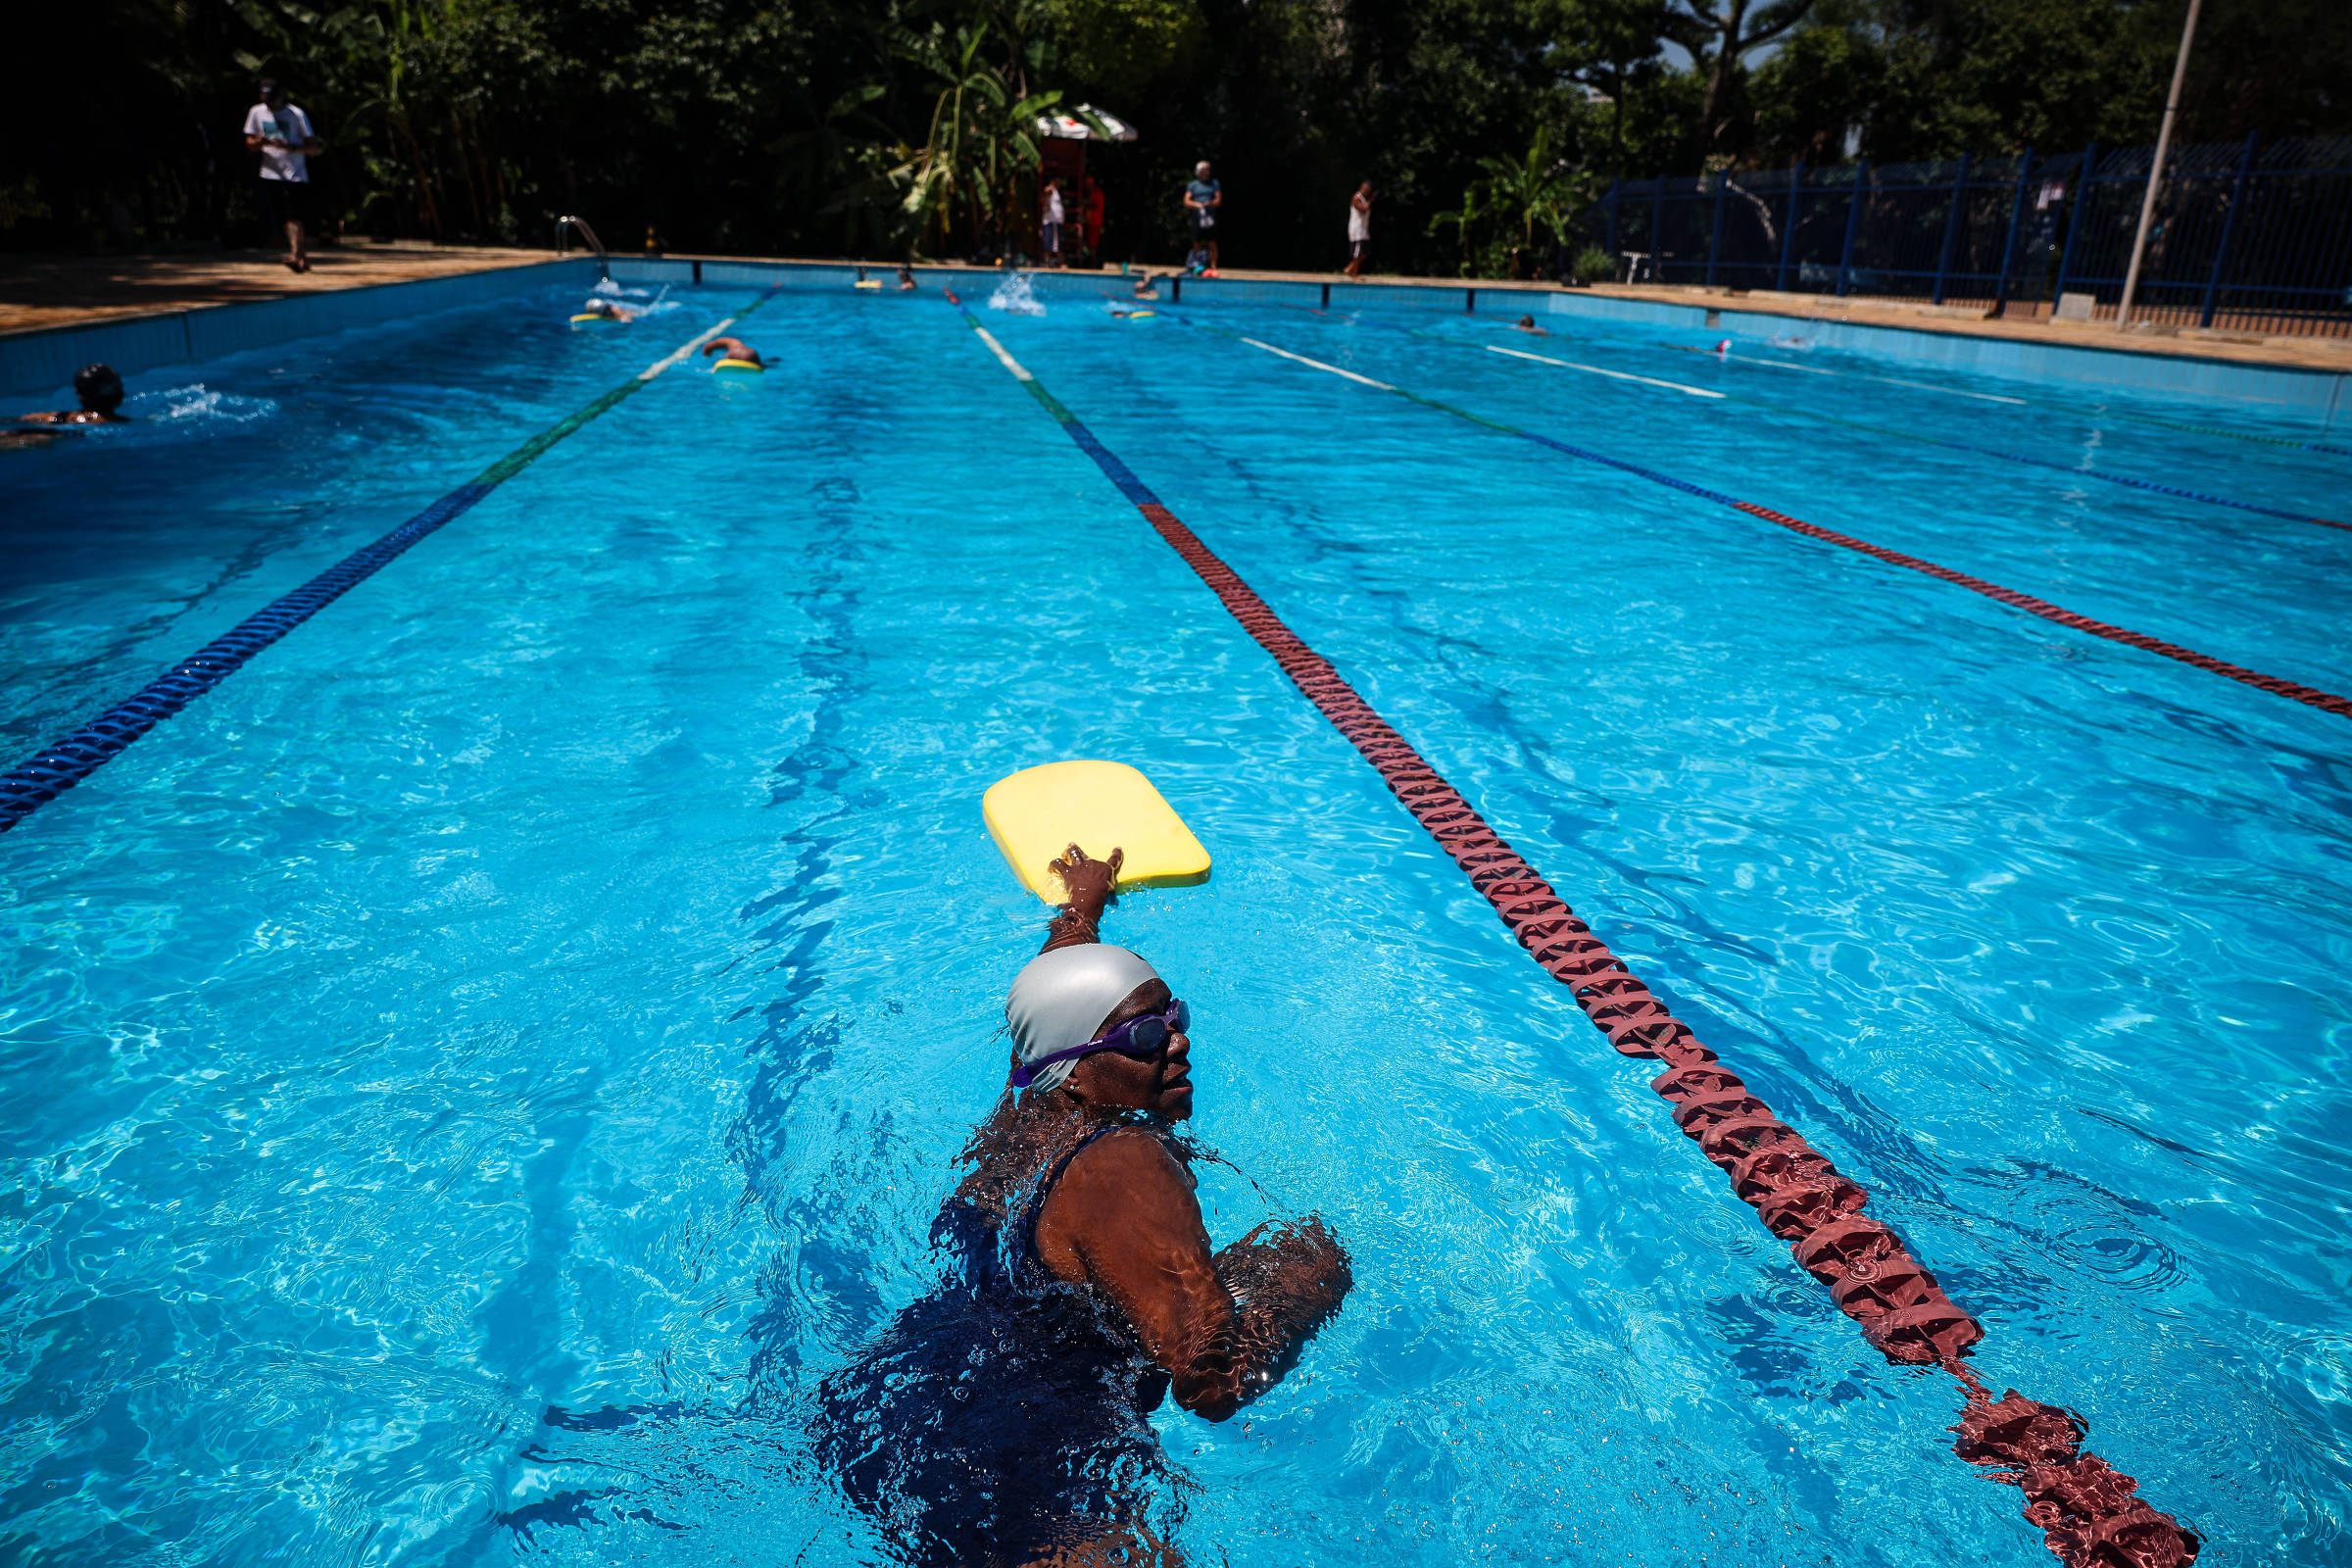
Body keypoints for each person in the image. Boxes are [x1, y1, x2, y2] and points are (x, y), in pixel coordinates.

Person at [812, 845, 1352, 1567]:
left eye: (1175, 1014)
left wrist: (1082, 908)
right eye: (1147, 1033)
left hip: (892, 1405)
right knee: (1305, 1252)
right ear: (1078, 1066)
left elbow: (1055, 992)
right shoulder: (1126, 1165)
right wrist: (1305, 1285)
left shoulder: (1026, 1107)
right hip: (1026, 1455)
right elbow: (1209, 1384)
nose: (1178, 1041)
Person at [243, 78, 322, 273]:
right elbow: (249, 144)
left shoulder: (296, 114)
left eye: (272, 99)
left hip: (295, 173)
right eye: (265, 98)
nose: (268, 103)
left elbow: (313, 147)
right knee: (285, 218)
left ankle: (296, 254)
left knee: (295, 215)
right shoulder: (257, 112)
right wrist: (260, 142)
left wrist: (291, 147)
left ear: (280, 96)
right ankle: (301, 258)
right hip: (270, 172)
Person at [1183, 161, 1221, 273]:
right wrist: (1197, 205)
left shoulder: (1214, 183)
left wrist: (1210, 203)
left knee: (1212, 242)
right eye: (1205, 170)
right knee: (1196, 241)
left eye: (1208, 169)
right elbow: (1186, 201)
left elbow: (1219, 200)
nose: (1207, 172)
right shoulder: (1193, 185)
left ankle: (1213, 266)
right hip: (1197, 217)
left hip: (1209, 217)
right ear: (1199, 171)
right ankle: (1197, 264)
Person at [1345, 182, 1373, 279]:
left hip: (1363, 230)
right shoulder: (1356, 197)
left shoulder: (1364, 199)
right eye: (1367, 190)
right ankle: (1354, 274)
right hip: (1357, 230)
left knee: (1365, 252)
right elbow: (1363, 209)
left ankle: (1350, 268)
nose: (1368, 192)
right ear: (1363, 188)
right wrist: (1370, 202)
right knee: (1358, 253)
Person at [1041, 177, 1066, 268]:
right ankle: (1060, 263)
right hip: (1052, 221)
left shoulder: (1055, 191)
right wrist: (1046, 206)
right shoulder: (1050, 189)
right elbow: (1044, 194)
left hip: (1055, 222)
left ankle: (1048, 262)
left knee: (1053, 243)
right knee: (1055, 244)